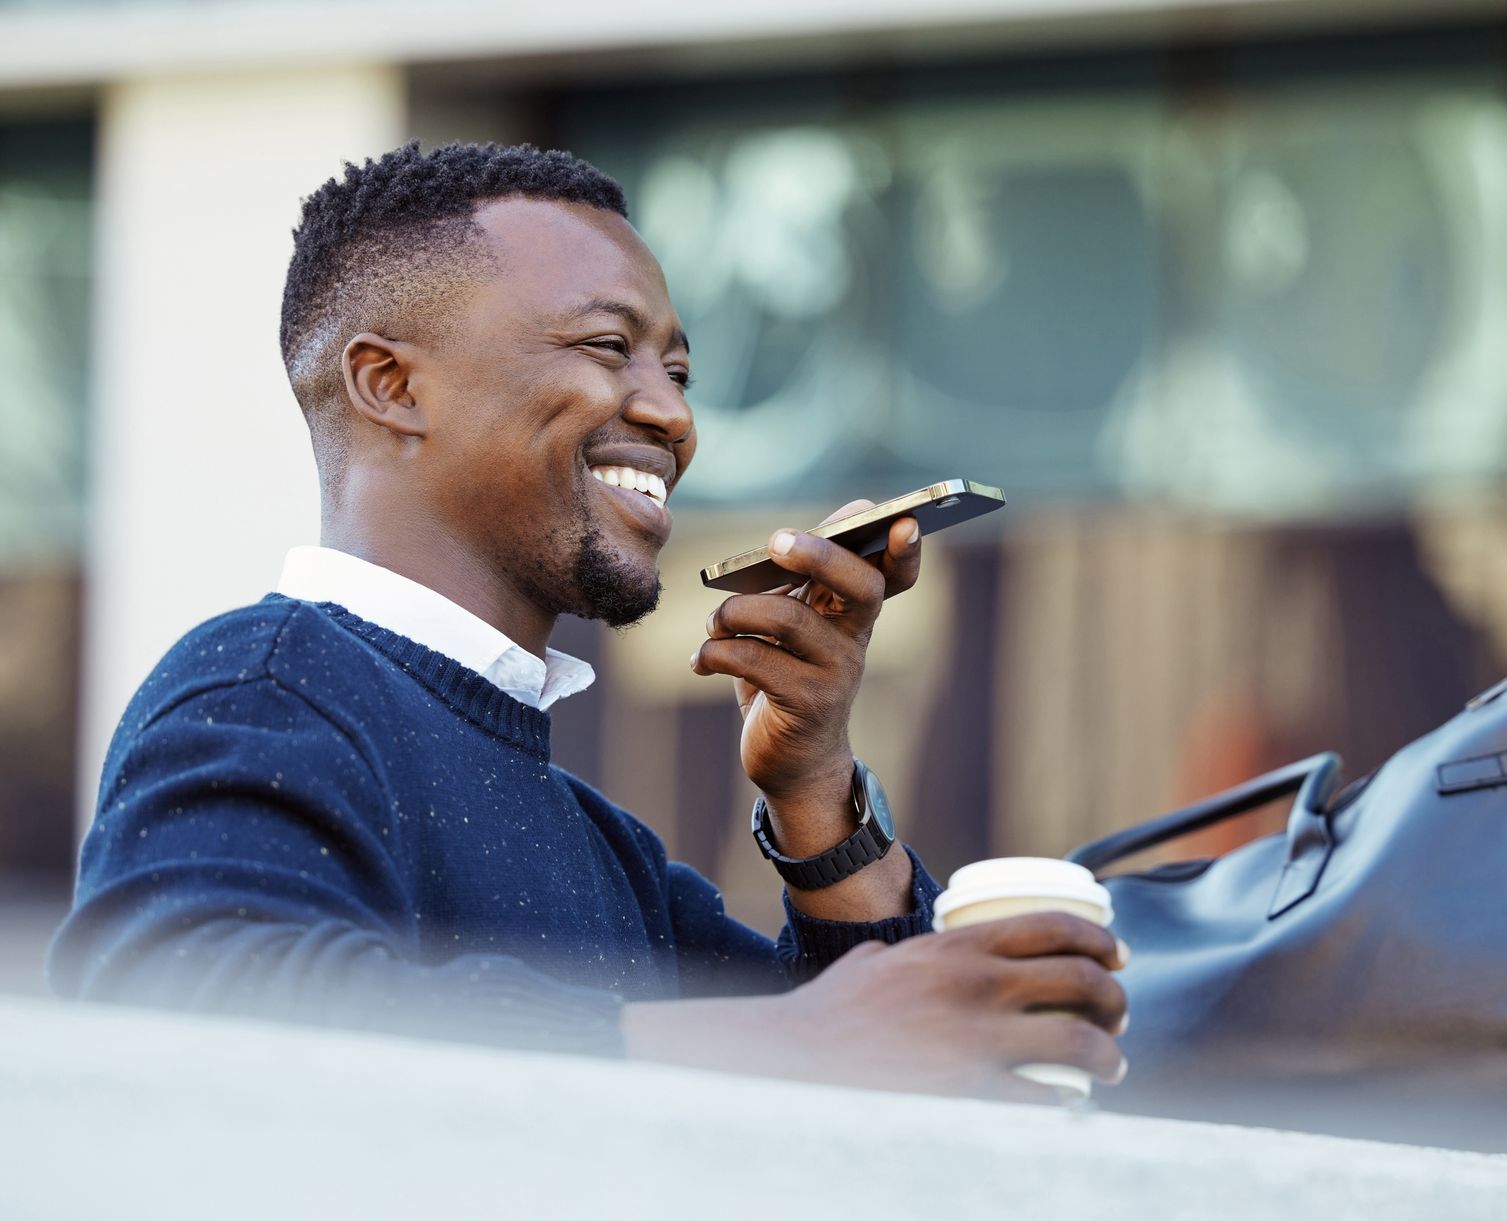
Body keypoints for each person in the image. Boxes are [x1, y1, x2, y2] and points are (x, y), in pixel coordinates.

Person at [47, 141, 1125, 1101]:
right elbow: (184, 1015)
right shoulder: (265, 688)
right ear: (389, 385)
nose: (673, 413)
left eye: (680, 369)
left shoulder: (604, 848)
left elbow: (867, 1088)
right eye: (609, 349)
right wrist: (795, 1042)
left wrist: (816, 797)